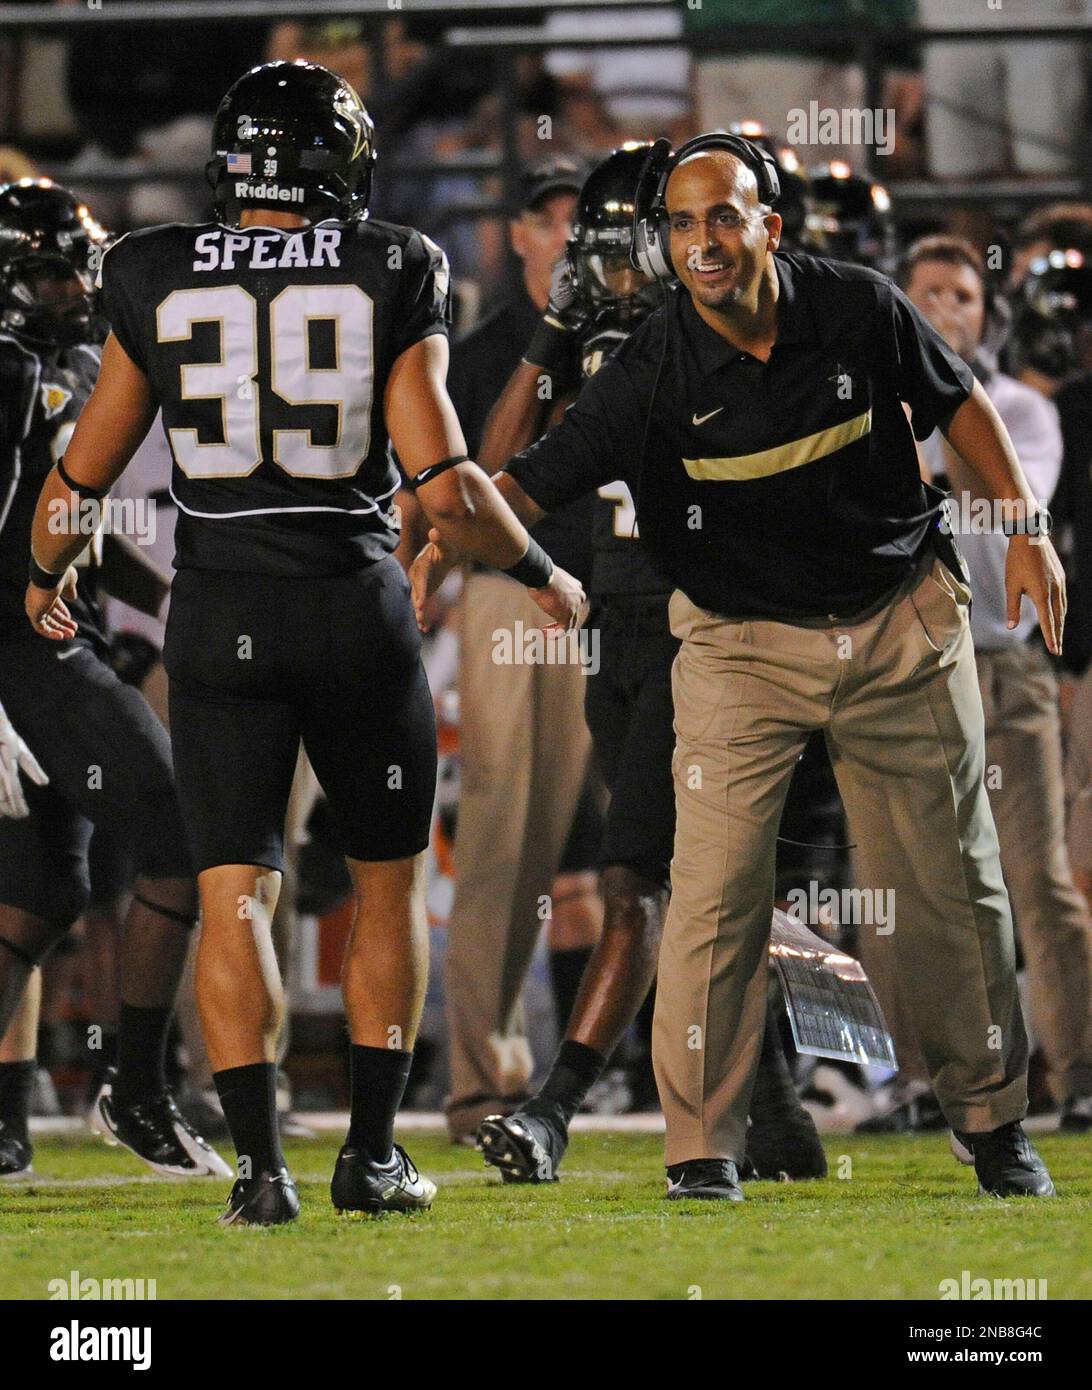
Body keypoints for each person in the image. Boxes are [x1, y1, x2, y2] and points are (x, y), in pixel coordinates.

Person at [429, 132, 1064, 1202]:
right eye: (681, 223)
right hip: (736, 644)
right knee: (712, 896)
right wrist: (443, 529)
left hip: (896, 619)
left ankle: (993, 1120)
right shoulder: (650, 365)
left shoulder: (857, 306)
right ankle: (702, 1145)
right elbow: (521, 486)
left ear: (772, 224)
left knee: (951, 888)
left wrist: (1026, 530)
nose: (702, 243)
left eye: (724, 216)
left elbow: (958, 403)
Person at [24, 62, 583, 1227]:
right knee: (386, 889)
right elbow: (445, 476)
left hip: (218, 609)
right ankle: (371, 1157)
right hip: (349, 603)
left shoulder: (152, 265)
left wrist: (41, 576)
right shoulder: (394, 262)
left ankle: (261, 1171)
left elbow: (82, 473)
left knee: (234, 893)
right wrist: (541, 570)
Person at [418, 143, 824, 1184]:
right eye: (605, 251)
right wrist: (559, 325)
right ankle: (775, 1109)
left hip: (715, 629)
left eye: (635, 245)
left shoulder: (725, 329)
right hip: (620, 629)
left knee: (641, 875)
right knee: (704, 879)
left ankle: (558, 1107)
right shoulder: (598, 340)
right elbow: (508, 471)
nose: (628, 270)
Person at [0, 179, 227, 1181]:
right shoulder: (7, 370)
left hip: (56, 633)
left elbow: (68, 525)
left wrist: (171, 595)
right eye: (49, 272)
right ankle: (137, 1089)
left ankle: (31, 1117)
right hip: (25, 651)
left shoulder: (68, 362)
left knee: (40, 894)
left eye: (74, 267)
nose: (72, 288)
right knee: (178, 836)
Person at [898, 235, 1092, 1133]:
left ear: (989, 315)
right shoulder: (869, 403)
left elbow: (1011, 508)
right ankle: (919, 1082)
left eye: (964, 296)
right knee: (915, 876)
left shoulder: (1021, 409)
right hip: (907, 661)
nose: (946, 308)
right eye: (927, 292)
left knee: (1037, 877)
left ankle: (1081, 1070)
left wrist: (945, 412)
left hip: (1005, 659)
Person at [436, 158, 606, 1146]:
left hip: (619, 600)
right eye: (552, 221)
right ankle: (483, 1078)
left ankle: (632, 1066)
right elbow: (484, 482)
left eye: (583, 221)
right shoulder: (490, 347)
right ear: (519, 237)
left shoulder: (632, 331)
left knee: (589, 846)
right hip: (516, 600)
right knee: (505, 838)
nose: (571, 238)